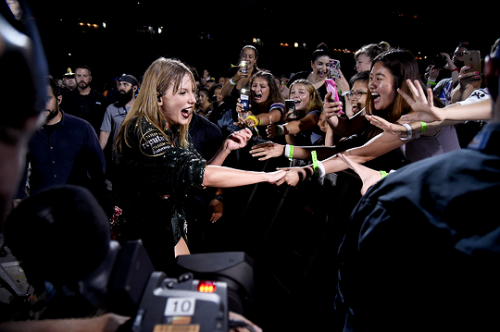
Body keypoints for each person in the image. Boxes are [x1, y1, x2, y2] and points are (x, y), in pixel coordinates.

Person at [334, 36, 500, 332]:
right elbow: (445, 118)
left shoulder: (395, 193)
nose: (371, 85)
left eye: (377, 78)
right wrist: (440, 115)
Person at [112, 57, 285, 274]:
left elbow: (197, 182)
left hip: (168, 230)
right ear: (158, 97)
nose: (193, 99)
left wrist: (225, 148)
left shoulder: (173, 131)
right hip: (141, 240)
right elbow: (204, 176)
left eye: (193, 92)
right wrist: (266, 176)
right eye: (183, 92)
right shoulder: (142, 130)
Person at [259, 49, 460, 185]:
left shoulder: (418, 115)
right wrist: (332, 117)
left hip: (448, 188)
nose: (371, 85)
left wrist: (306, 171)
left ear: (400, 79)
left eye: (378, 79)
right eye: (370, 77)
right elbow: (344, 136)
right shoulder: (380, 109)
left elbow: (359, 154)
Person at [14, 77, 108, 212]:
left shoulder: (81, 128)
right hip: (41, 207)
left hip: (75, 206)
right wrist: (18, 201)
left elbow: (97, 169)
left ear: (59, 100)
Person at [257, 78, 322, 148]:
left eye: (301, 92)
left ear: (311, 97)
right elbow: (292, 143)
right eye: (293, 92)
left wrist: (279, 129)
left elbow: (300, 125)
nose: (295, 96)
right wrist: (287, 122)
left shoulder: (316, 113)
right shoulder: (294, 114)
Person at [61, 64, 109, 134]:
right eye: (79, 76)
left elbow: (105, 125)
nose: (82, 79)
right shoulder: (67, 98)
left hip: (92, 139)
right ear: (75, 77)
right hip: (71, 138)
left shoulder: (101, 99)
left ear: (90, 78)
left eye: (85, 76)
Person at [99, 74, 138, 151]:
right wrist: (98, 153)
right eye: (120, 84)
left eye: (125, 85)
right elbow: (105, 133)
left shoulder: (142, 108)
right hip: (118, 153)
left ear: (134, 88)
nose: (121, 88)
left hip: (138, 154)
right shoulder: (111, 109)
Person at [221, 45, 261, 110]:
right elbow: (224, 93)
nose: (247, 59)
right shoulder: (233, 71)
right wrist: (234, 79)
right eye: (244, 56)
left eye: (250, 57)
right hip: (228, 112)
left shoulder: (259, 75)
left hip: (246, 113)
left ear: (255, 59)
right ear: (240, 57)